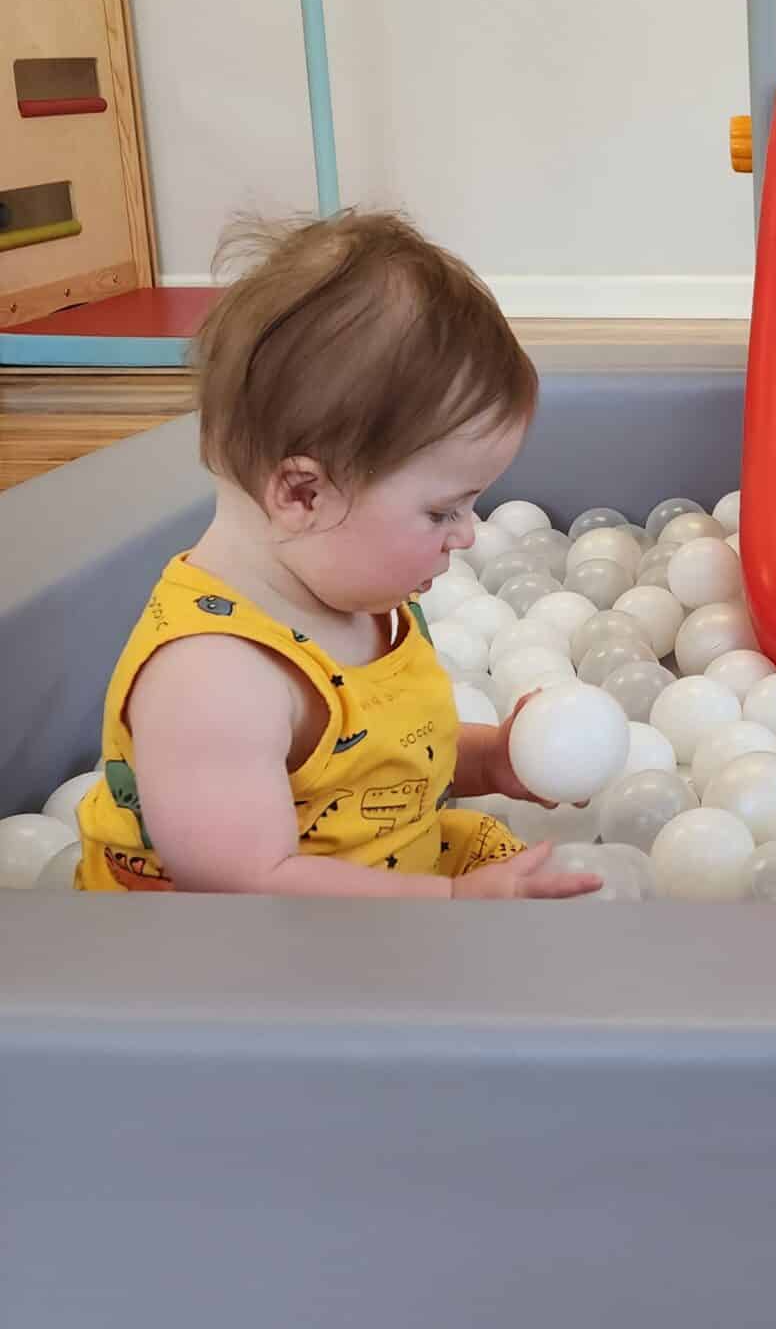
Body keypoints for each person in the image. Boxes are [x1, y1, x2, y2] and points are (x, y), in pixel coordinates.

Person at [74, 209, 598, 898]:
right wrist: (451, 903)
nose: (469, 533)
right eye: (441, 510)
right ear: (301, 493)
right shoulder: (214, 678)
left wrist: (490, 761)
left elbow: (389, 759)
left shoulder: (349, 593)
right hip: (248, 955)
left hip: (382, 881)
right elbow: (245, 887)